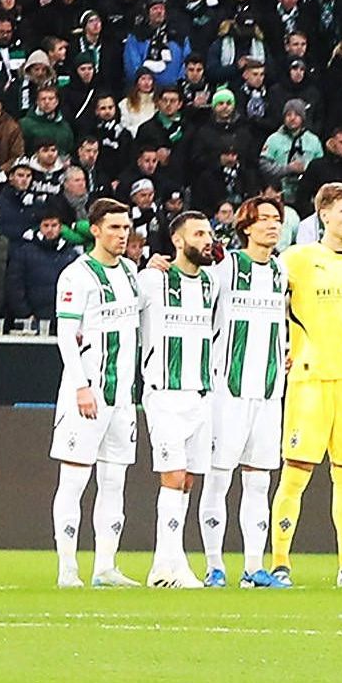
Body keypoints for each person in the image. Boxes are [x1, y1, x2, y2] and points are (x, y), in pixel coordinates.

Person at [274, 181, 342, 588]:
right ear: (324, 215)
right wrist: (281, 342)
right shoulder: (297, 259)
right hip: (310, 378)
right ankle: (280, 564)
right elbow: (265, 298)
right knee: (297, 471)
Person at [51, 205, 146, 589]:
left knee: (114, 480)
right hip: (88, 394)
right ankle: (67, 567)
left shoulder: (130, 273)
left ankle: (105, 565)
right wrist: (80, 386)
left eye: (127, 227)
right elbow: (65, 334)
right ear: (95, 230)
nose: (122, 235)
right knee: (74, 480)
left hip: (123, 396)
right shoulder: (76, 275)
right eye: (114, 228)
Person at [137, 211, 229, 588]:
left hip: (201, 393)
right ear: (178, 241)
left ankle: (170, 561)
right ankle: (166, 566)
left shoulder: (212, 282)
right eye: (198, 234)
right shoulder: (153, 280)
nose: (207, 239)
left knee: (189, 479)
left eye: (208, 233)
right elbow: (126, 305)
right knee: (172, 476)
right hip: (165, 392)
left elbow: (220, 328)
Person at [212, 196, 298, 586]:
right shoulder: (227, 266)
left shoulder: (281, 272)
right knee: (219, 477)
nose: (272, 226)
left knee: (259, 479)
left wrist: (288, 351)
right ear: (245, 226)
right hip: (228, 389)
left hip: (268, 391)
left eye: (277, 220)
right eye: (263, 220)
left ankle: (253, 568)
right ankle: (215, 565)